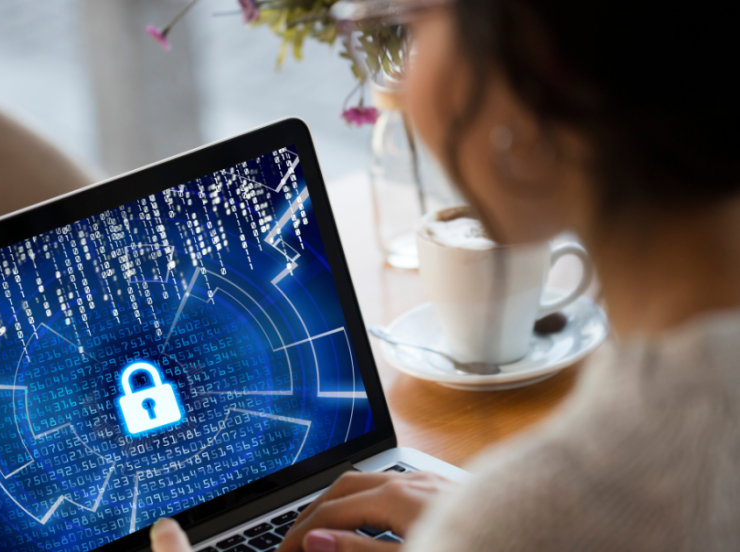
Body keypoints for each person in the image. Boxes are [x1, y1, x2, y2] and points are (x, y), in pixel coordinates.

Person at [150, 0, 740, 550]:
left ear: (535, 87)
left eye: (418, 18)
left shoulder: (556, 510)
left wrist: (496, 524)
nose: (398, 76)